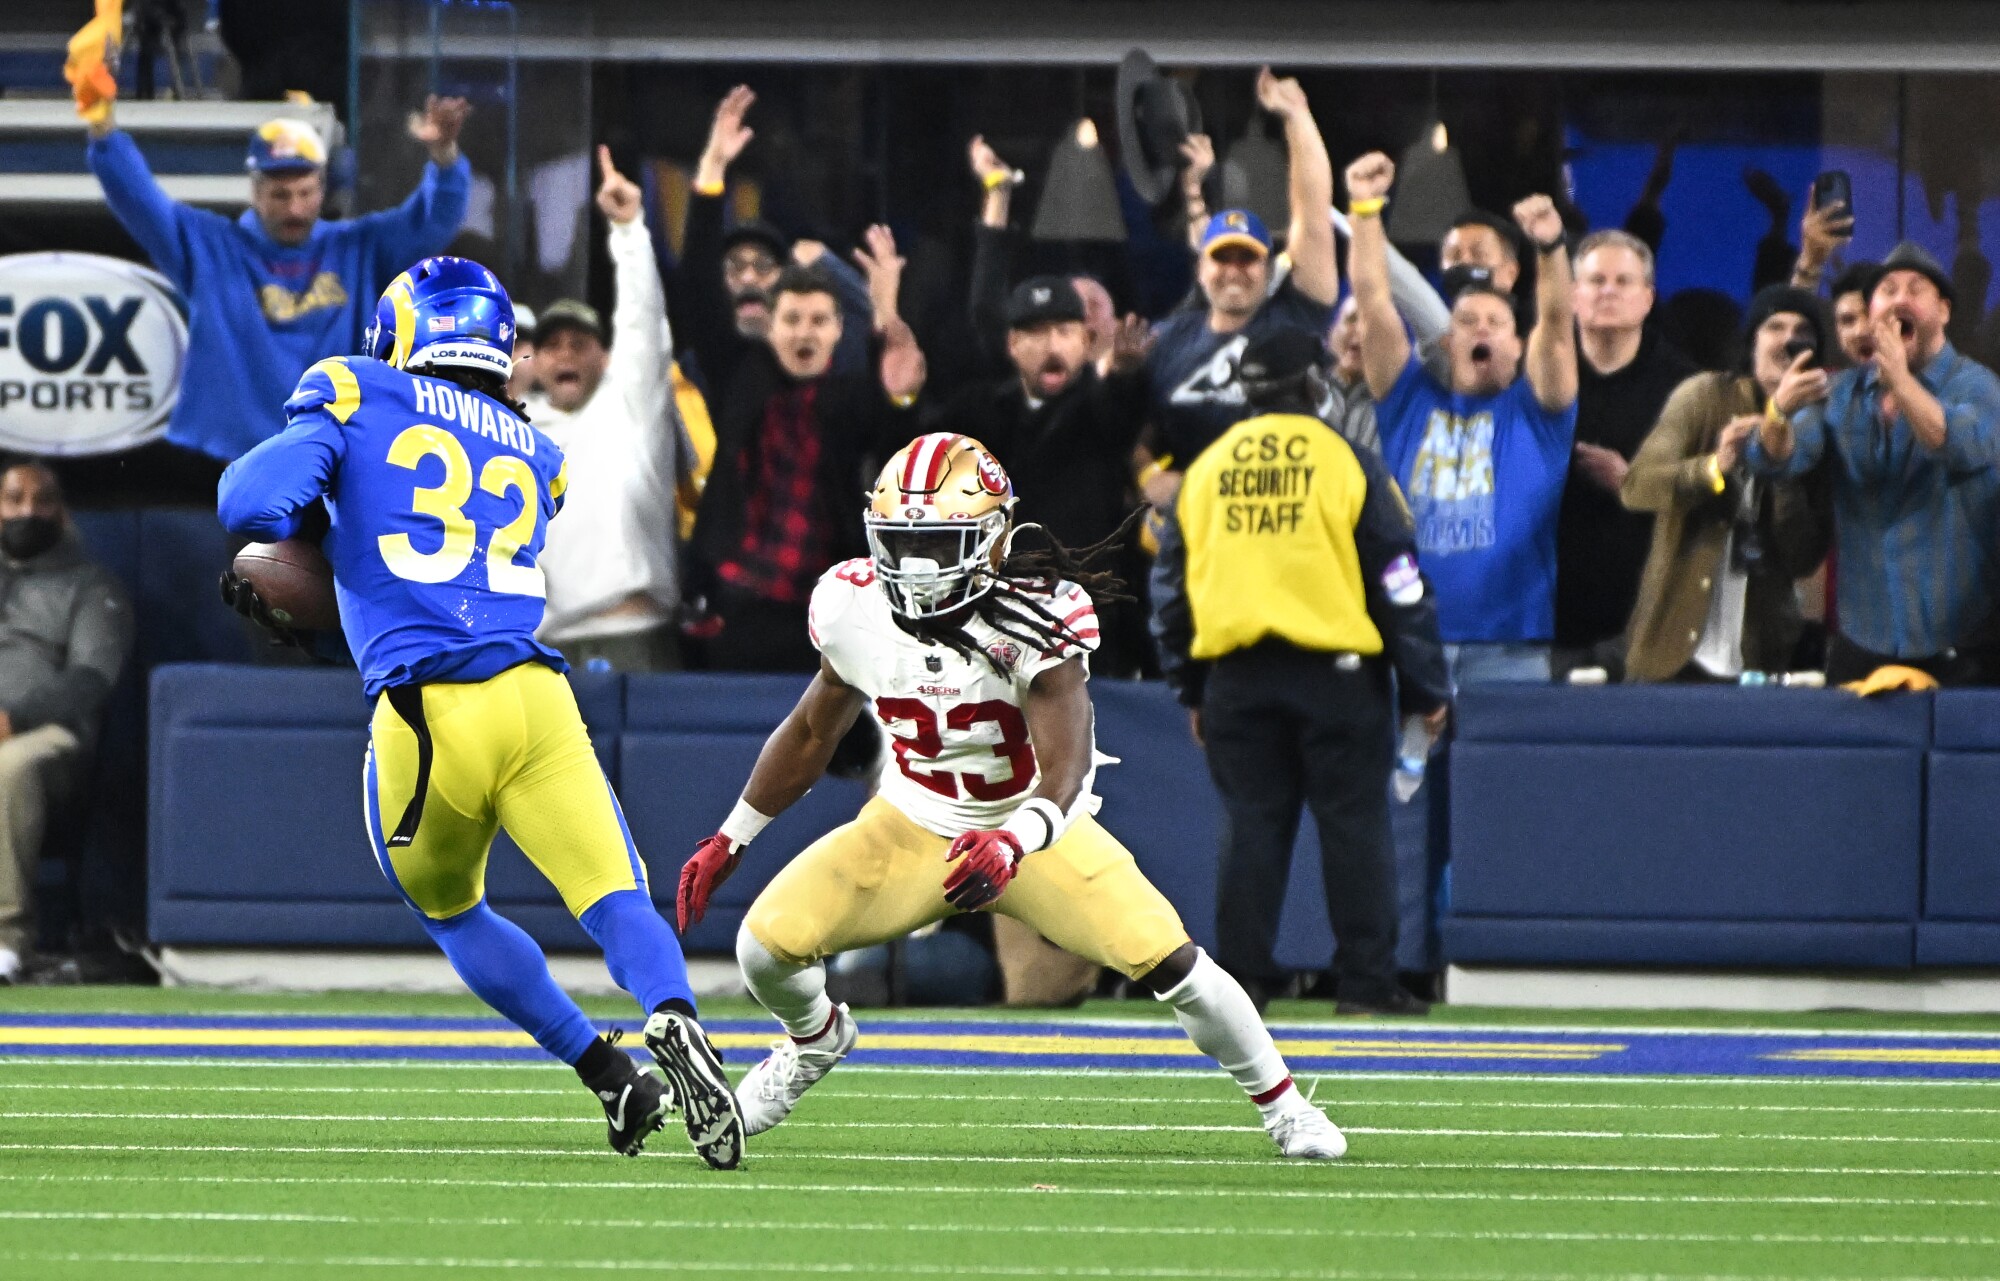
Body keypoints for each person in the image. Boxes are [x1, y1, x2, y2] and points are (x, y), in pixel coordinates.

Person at [676, 432, 1348, 1160]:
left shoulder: (1037, 616)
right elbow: (811, 730)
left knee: (1174, 962)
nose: (915, 568)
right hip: (912, 822)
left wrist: (1013, 840)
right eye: (901, 543)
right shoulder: (853, 605)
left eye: (939, 545)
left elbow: (1067, 767)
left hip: (1030, 831)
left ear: (991, 542)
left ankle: (1285, 1106)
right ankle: (814, 1042)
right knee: (764, 947)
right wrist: (733, 835)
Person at [214, 258, 745, 1169]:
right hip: (538, 697)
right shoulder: (540, 451)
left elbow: (250, 501)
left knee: (452, 910)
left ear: (404, 329)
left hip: (426, 714)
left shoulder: (354, 385)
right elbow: (439, 566)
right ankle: (673, 1012)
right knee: (615, 895)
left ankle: (607, 1072)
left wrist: (300, 540)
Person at [1153, 329, 1450, 1014]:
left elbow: (1172, 589)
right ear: (1314, 384)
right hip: (1336, 676)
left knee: (1251, 826)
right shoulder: (1347, 459)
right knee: (1354, 825)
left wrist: (1190, 685)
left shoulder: (1208, 469)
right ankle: (1367, 985)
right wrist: (1427, 685)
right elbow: (1399, 580)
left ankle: (1241, 985)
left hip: (1235, 676)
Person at [86, 96, 471, 473]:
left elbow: (431, 220)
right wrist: (104, 130)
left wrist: (444, 156)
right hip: (236, 465)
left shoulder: (359, 248)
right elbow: (139, 201)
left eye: (306, 193)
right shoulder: (211, 248)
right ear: (255, 192)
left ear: (323, 188)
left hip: (339, 460)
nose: (295, 209)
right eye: (280, 195)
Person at [1348, 151, 1579, 685]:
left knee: (1506, 775)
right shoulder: (1409, 399)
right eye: (1468, 321)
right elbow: (1373, 300)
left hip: (1510, 649)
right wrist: (1363, 210)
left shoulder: (1539, 410)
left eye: (1497, 322)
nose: (1482, 330)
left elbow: (1558, 323)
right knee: (1405, 773)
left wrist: (1549, 246)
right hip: (1410, 638)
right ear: (1448, 341)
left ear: (1518, 345)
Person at [1749, 241, 2000, 685]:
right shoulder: (1840, 394)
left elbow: (1952, 442)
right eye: (1887, 290)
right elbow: (1782, 459)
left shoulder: (1977, 387)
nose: (1899, 298)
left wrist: (1900, 379)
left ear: (1943, 312)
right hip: (1863, 637)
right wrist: (1776, 414)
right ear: (1872, 312)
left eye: (1915, 288)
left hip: (1962, 642)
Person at [689, 233, 924, 671]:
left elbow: (899, 466)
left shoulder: (853, 396)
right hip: (740, 605)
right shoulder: (741, 378)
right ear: (770, 327)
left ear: (838, 330)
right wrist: (710, 180)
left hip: (826, 611)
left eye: (818, 320)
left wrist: (899, 397)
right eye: (792, 319)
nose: (804, 332)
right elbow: (699, 297)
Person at [925, 276, 1152, 676]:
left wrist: (1124, 376)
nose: (1052, 346)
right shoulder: (981, 411)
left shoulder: (1100, 408)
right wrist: (902, 398)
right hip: (996, 618)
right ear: (1012, 344)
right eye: (1036, 333)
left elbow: (1120, 416)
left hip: (1087, 622)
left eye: (1064, 332)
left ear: (1086, 340)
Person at [1141, 68, 1338, 500]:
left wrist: (1297, 117)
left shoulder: (1295, 318)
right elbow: (1137, 432)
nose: (1234, 269)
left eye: (1247, 258)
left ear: (1269, 270)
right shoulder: (1170, 340)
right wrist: (1148, 476)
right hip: (1196, 536)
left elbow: (1313, 215)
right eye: (1221, 257)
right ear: (1201, 269)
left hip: (1280, 516)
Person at [524, 148, 685, 673]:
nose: (566, 353)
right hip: (547, 650)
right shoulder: (516, 432)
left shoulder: (631, 407)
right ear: (536, 359)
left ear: (606, 356)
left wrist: (629, 231)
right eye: (553, 345)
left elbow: (642, 323)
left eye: (579, 342)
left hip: (635, 638)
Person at [1622, 286, 1834, 682]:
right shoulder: (1705, 396)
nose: (1789, 339)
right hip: (1671, 651)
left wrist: (1780, 461)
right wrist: (1713, 467)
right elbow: (1637, 486)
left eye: (1802, 330)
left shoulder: (1819, 429)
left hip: (1760, 655)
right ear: (1751, 340)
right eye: (1775, 326)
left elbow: (1803, 557)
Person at [0, 459, 132, 984]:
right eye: (13, 499)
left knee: (6, 768)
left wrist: (15, 717)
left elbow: (91, 679)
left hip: (48, 740)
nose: (28, 511)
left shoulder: (89, 585)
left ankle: (7, 941)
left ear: (62, 511)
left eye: (42, 500)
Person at [1555, 230, 1697, 672]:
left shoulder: (1686, 388)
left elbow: (1710, 492)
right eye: (1596, 281)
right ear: (1573, 295)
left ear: (1648, 299)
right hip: (1547, 620)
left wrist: (1632, 484)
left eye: (1623, 281)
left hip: (1645, 620)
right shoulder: (1541, 377)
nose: (1609, 291)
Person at [675, 85, 871, 397]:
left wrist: (828, 263)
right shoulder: (724, 365)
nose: (749, 277)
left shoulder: (831, 378)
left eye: (763, 266)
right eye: (734, 267)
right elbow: (698, 279)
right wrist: (713, 165)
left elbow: (863, 331)